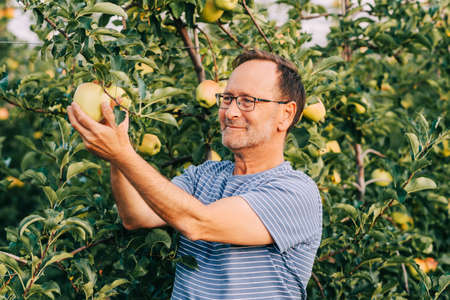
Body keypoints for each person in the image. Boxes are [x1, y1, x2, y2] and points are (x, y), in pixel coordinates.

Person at [67, 49, 322, 299]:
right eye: (227, 98)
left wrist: (123, 154)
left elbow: (198, 223)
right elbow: (136, 215)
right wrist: (115, 151)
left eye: (247, 101)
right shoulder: (204, 175)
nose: (231, 112)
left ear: (285, 114)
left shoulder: (296, 192)